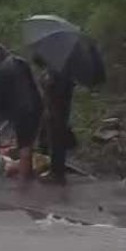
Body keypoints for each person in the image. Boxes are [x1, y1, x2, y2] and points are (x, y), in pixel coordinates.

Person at [0, 44, 43, 182]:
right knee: (29, 142)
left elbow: (0, 97)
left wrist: (0, 117)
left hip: (21, 110)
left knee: (23, 144)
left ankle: (23, 178)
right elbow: (33, 84)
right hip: (36, 105)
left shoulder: (2, 69)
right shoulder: (21, 62)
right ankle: (28, 172)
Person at [35, 56, 75, 185]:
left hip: (56, 111)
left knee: (56, 143)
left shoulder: (57, 72)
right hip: (59, 111)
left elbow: (51, 88)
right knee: (56, 142)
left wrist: (45, 80)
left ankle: (57, 173)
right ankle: (56, 171)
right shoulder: (63, 71)